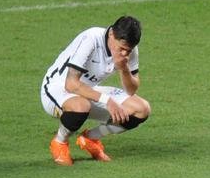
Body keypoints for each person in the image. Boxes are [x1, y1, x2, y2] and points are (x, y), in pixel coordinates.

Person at [40, 15, 152, 165]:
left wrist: (124, 68)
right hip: (57, 88)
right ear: (111, 34)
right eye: (122, 49)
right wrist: (107, 101)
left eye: (129, 50)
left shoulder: (130, 49)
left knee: (141, 109)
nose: (125, 54)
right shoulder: (92, 38)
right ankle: (59, 142)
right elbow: (71, 84)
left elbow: (131, 90)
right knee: (81, 106)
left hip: (88, 90)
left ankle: (90, 138)